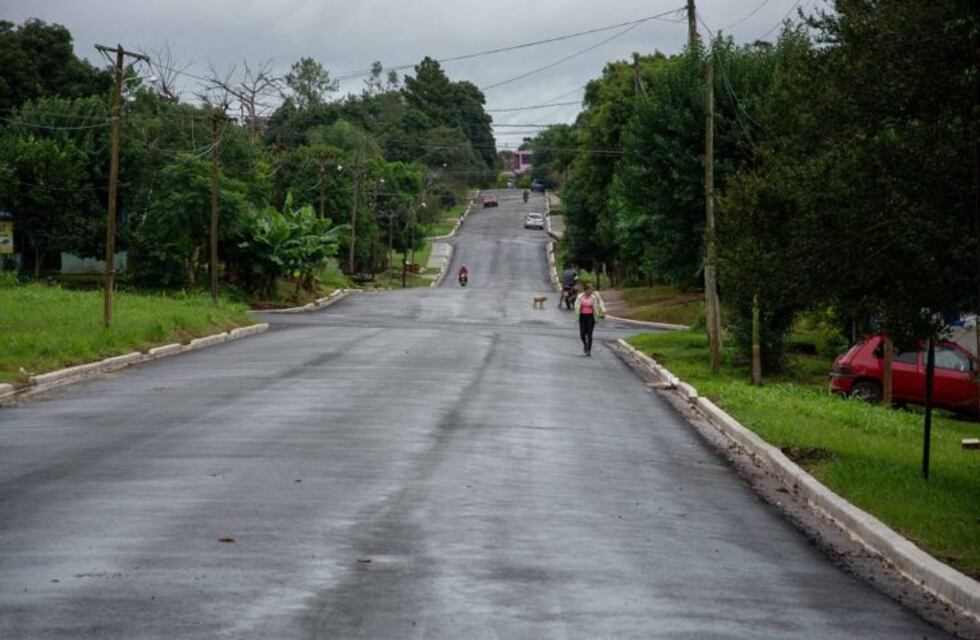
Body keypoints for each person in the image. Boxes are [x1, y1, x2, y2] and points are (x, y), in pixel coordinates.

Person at [574, 283, 605, 356]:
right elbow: (576, 305)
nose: (591, 291)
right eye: (589, 289)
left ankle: (589, 350)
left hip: (591, 317)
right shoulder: (580, 296)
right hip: (582, 316)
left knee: (589, 334)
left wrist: (600, 314)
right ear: (585, 290)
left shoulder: (594, 297)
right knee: (582, 334)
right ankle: (585, 344)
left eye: (592, 289)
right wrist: (577, 312)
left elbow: (597, 306)